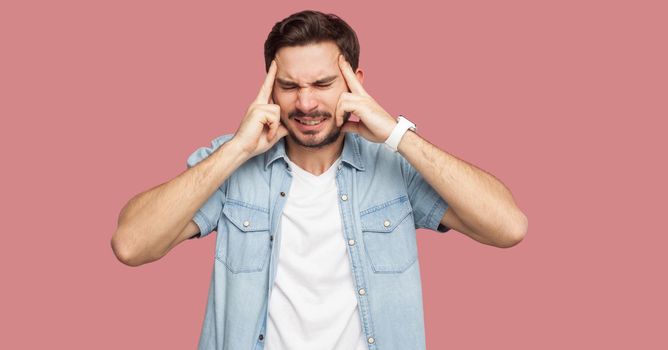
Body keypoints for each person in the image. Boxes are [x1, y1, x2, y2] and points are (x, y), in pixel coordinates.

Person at [111, 10, 528, 350]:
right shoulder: (231, 160)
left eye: (323, 84)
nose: (306, 102)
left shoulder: (393, 163)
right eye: (289, 86)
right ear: (270, 90)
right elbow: (131, 245)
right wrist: (237, 150)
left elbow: (508, 227)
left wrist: (397, 135)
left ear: (354, 83)